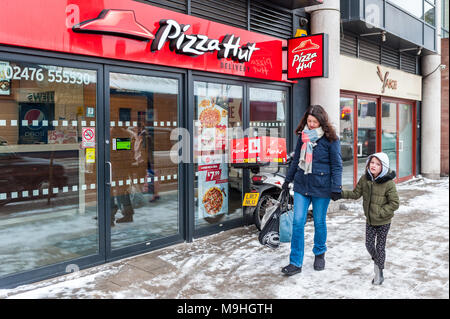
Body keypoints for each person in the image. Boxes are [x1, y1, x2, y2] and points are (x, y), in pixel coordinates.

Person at [281, 105, 343, 276]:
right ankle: (295, 262)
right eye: (309, 121)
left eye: (315, 121)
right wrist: (288, 180)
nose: (312, 124)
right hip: (302, 184)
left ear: (322, 121)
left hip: (322, 187)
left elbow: (337, 165)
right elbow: (295, 161)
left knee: (319, 222)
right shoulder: (303, 137)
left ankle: (319, 254)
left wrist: (336, 187)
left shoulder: (331, 139)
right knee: (298, 222)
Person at [340, 152, 399, 285]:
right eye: (372, 162)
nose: (373, 165)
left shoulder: (388, 183)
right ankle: (378, 261)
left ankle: (379, 273)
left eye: (377, 164)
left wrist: (380, 213)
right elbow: (356, 194)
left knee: (380, 247)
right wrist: (340, 194)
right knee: (368, 244)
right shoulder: (364, 179)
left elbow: (395, 203)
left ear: (383, 167)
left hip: (384, 221)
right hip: (370, 221)